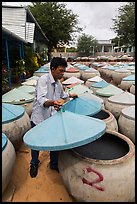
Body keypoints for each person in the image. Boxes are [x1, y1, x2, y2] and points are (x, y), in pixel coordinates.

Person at [29, 57, 78, 178]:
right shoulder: (43, 80)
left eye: (63, 71)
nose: (62, 73)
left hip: (52, 118)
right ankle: (34, 163)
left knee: (55, 141)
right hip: (39, 118)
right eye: (60, 71)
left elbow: (62, 94)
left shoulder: (57, 82)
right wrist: (54, 103)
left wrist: (71, 95)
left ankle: (54, 163)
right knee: (36, 142)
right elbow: (41, 100)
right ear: (52, 69)